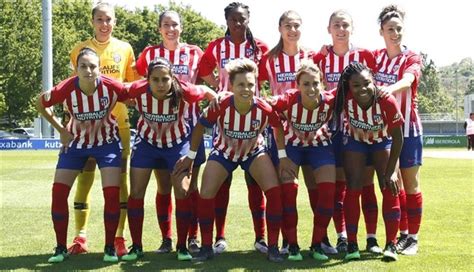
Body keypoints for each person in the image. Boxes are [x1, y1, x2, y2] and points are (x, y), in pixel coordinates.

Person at [173, 58, 284, 262]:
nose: (246, 88)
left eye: (250, 84)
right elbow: (199, 127)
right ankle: (207, 247)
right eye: (241, 84)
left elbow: (278, 127)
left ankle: (273, 247)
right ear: (231, 86)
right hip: (224, 152)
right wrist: (190, 157)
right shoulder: (222, 103)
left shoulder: (263, 108)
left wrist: (283, 158)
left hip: (253, 152)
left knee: (274, 191)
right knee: (206, 193)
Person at [121, 58, 217, 261]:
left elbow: (208, 92)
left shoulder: (185, 91)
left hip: (177, 143)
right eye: (155, 79)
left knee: (182, 190)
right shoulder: (136, 89)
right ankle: (137, 246)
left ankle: (182, 246)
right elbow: (115, 92)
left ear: (172, 78)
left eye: (165, 79)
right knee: (136, 191)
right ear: (147, 79)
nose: (160, 84)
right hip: (147, 144)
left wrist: (213, 110)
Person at [37, 48, 127, 263]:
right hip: (76, 144)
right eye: (83, 66)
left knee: (112, 194)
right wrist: (61, 130)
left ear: (99, 68)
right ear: (76, 69)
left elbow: (137, 95)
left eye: (93, 66)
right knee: (58, 192)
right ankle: (60, 248)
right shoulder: (65, 89)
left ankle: (109, 249)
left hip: (107, 144)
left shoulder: (112, 87)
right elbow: (40, 103)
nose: (88, 70)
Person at [67, 2, 140, 257]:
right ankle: (80, 236)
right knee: (84, 177)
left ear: (115, 22)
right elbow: (71, 89)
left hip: (118, 127)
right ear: (92, 22)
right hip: (85, 129)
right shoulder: (78, 50)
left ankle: (119, 237)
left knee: (120, 181)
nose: (104, 24)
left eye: (109, 19)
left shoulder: (125, 49)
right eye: (100, 19)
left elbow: (131, 90)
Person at [197, 2, 270, 254]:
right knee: (221, 181)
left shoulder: (259, 46)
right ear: (227, 21)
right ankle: (219, 238)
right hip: (225, 119)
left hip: (253, 122)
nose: (239, 24)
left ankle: (261, 238)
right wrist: (217, 86)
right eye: (234, 19)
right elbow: (203, 69)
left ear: (249, 20)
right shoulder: (217, 46)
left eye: (243, 19)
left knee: (255, 182)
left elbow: (270, 73)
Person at [135, 10, 204, 254]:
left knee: (189, 185)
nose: (170, 29)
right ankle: (167, 239)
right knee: (163, 184)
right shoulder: (149, 54)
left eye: (175, 24)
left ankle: (192, 237)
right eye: (166, 24)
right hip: (157, 130)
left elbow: (208, 81)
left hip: (191, 128)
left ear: (181, 27)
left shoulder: (195, 52)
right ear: (159, 28)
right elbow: (139, 82)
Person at [312, 10, 381, 255]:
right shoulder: (319, 58)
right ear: (329, 29)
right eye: (336, 25)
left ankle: (371, 238)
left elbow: (375, 90)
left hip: (363, 132)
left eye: (345, 25)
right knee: (340, 186)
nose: (341, 29)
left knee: (366, 184)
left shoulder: (365, 55)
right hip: (333, 132)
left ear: (352, 29)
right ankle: (342, 236)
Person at [257, 10, 318, 257]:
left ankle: (320, 239)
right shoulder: (269, 58)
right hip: (281, 133)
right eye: (288, 26)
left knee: (315, 185)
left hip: (311, 133)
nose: (292, 30)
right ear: (280, 29)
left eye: (296, 25)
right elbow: (259, 90)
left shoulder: (312, 56)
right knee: (286, 187)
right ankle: (286, 241)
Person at [333, 62, 404, 261]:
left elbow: (398, 137)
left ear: (373, 81)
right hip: (356, 143)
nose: (362, 89)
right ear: (349, 86)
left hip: (382, 142)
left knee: (389, 186)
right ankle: (352, 244)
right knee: (353, 188)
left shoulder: (387, 100)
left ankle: (391, 243)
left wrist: (391, 172)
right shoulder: (342, 97)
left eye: (366, 83)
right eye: (356, 85)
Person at [269, 62, 336, 261]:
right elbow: (266, 106)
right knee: (289, 192)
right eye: (306, 84)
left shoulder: (330, 100)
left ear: (322, 83)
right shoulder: (288, 99)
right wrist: (282, 156)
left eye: (315, 83)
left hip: (319, 144)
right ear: (297, 85)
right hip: (291, 146)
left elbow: (355, 91)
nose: (311, 88)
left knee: (327, 192)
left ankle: (317, 244)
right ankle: (292, 244)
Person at [374, 5, 423, 256]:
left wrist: (388, 89)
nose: (395, 33)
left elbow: (408, 80)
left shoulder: (412, 57)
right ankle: (403, 235)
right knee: (395, 185)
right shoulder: (376, 57)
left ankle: (413, 238)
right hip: (383, 131)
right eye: (390, 29)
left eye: (399, 28)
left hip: (408, 130)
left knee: (411, 182)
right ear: (381, 31)